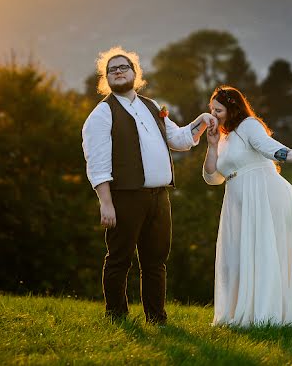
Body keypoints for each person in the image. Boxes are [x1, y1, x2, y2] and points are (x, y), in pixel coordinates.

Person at [82, 46, 217, 324]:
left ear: (135, 73)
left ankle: (157, 318)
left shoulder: (152, 106)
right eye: (112, 70)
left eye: (123, 67)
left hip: (160, 197)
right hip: (124, 197)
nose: (118, 72)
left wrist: (202, 121)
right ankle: (116, 317)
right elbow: (97, 163)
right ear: (106, 78)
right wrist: (105, 203)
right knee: (119, 260)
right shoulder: (101, 114)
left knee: (156, 263)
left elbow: (179, 140)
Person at [202, 85, 292, 327]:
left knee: (266, 254)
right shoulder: (222, 139)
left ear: (233, 108)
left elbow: (267, 146)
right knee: (238, 258)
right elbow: (212, 178)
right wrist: (212, 146)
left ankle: (269, 316)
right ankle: (245, 313)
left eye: (218, 110)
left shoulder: (248, 125)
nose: (213, 116)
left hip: (265, 194)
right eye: (211, 111)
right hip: (237, 201)